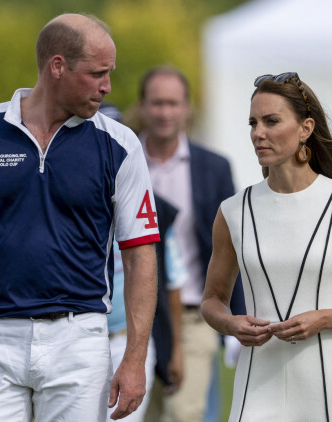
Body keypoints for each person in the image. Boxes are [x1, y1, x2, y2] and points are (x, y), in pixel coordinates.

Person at [0, 14, 159, 422]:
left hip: (79, 340)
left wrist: (136, 357)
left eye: (109, 73)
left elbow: (141, 255)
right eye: (97, 73)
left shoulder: (121, 145)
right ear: (57, 66)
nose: (107, 86)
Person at [201, 72, 332, 421]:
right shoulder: (232, 212)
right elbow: (212, 301)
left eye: (271, 121)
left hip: (327, 385)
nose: (258, 133)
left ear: (305, 128)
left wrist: (323, 318)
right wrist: (232, 324)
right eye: (253, 122)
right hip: (255, 386)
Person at [133, 66, 245, 422]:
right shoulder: (121, 160)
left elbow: (230, 248)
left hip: (194, 315)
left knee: (182, 414)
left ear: (187, 108)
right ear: (142, 107)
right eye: (156, 103)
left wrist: (236, 317)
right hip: (132, 320)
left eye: (172, 103)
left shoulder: (213, 168)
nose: (164, 112)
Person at [98, 102, 187, 422]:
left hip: (127, 341)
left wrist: (174, 348)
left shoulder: (153, 206)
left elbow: (174, 280)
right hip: (78, 336)